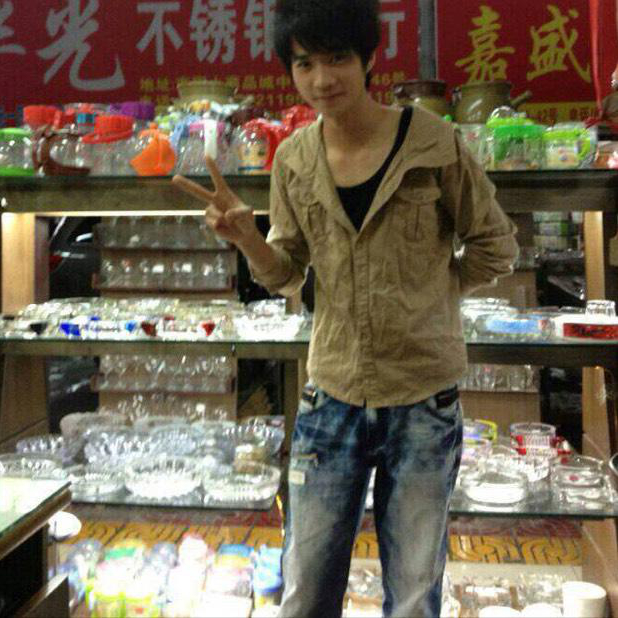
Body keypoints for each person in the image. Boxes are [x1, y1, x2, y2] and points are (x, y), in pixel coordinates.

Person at [173, 1, 518, 615]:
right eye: (304, 63)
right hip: (330, 395)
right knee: (306, 589)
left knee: (413, 595)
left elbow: (496, 245)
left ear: (369, 58)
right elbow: (286, 272)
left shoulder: (433, 142)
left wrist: (430, 297)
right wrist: (248, 238)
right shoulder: (293, 159)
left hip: (423, 399)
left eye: (337, 58)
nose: (321, 79)